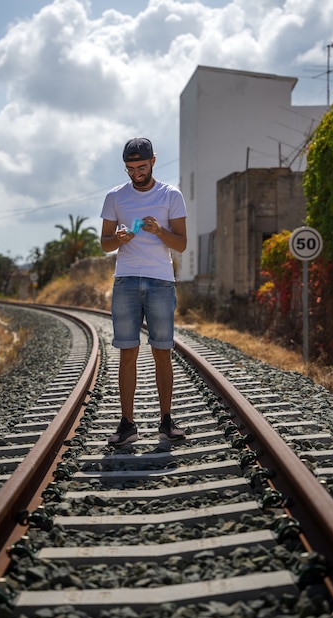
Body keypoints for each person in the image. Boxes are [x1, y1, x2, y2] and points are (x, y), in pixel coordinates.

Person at [100, 137, 187, 446]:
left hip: (161, 281)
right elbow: (105, 244)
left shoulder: (171, 195)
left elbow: (181, 244)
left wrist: (159, 231)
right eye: (130, 168)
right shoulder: (115, 197)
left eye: (141, 166)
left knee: (162, 352)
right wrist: (119, 239)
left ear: (153, 161)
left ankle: (166, 421)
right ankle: (127, 424)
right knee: (127, 353)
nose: (136, 173)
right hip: (125, 280)